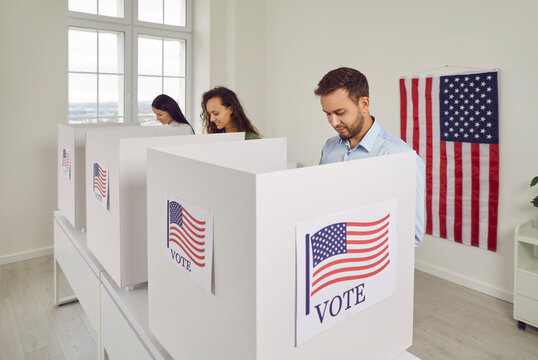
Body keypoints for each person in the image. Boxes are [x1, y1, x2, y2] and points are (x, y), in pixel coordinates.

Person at [315, 67, 425, 247]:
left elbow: (412, 234)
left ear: (364, 104)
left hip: (371, 260)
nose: (333, 122)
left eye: (340, 113)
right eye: (328, 114)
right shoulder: (329, 147)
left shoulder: (399, 156)